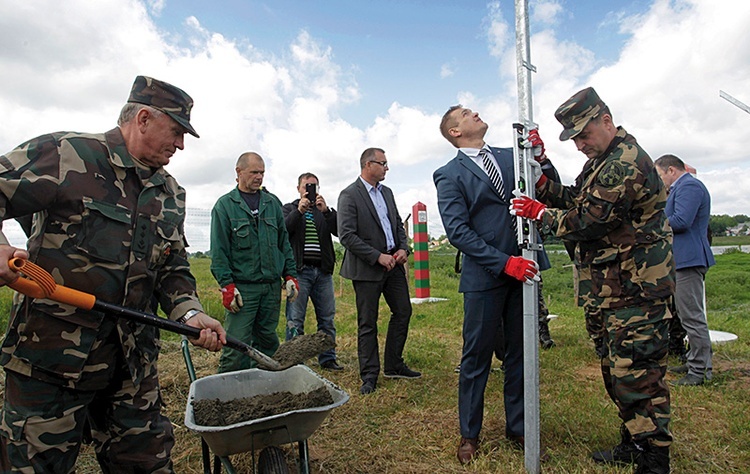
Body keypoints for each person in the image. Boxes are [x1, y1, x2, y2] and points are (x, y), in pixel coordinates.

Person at [0, 75, 227, 473]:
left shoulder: (170, 193)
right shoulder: (66, 154)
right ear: (143, 119)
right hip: (51, 362)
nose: (181, 144)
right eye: (176, 131)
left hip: (130, 366)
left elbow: (172, 268)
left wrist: (190, 313)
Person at [510, 87, 675, 474]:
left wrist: (540, 214)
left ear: (606, 120)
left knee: (638, 375)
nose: (581, 144)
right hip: (613, 291)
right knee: (617, 372)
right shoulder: (603, 160)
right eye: (575, 138)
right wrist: (542, 176)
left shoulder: (624, 161)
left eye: (584, 134)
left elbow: (589, 219)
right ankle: (635, 440)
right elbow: (576, 199)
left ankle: (654, 457)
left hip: (635, 291)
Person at [434, 105, 547, 465]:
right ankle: (470, 433)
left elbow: (546, 185)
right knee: (477, 356)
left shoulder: (512, 155)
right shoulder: (449, 174)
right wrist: (503, 263)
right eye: (467, 113)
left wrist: (539, 156)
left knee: (520, 353)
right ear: (455, 132)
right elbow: (458, 232)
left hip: (524, 267)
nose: (476, 113)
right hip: (486, 276)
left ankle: (518, 427)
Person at [338, 147, 421, 395]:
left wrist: (403, 249)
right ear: (367, 165)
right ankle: (369, 376)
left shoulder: (387, 193)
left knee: (403, 311)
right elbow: (347, 236)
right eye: (383, 163)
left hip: (393, 265)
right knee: (368, 323)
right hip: (367, 269)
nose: (387, 168)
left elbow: (396, 223)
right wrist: (377, 256)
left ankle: (394, 365)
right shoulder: (349, 195)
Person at [210, 152, 299, 373]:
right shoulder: (225, 206)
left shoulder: (272, 203)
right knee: (236, 345)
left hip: (269, 289)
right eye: (254, 172)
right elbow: (219, 251)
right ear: (239, 172)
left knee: (267, 343)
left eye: (262, 172)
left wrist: (290, 275)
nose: (259, 177)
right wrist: (227, 286)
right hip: (243, 289)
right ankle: (226, 396)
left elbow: (283, 243)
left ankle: (264, 392)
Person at [654, 154, 715, 386]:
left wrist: (653, 220)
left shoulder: (689, 186)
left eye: (661, 175)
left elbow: (680, 221)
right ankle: (694, 362)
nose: (661, 182)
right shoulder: (683, 188)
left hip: (689, 259)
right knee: (686, 315)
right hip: (683, 259)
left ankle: (700, 371)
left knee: (692, 317)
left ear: (671, 170)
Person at [282, 173, 342, 371]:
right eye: (306, 186)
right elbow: (283, 230)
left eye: (314, 186)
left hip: (323, 272)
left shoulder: (321, 210)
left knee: (326, 318)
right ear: (298, 188)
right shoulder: (289, 208)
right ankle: (293, 361)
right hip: (300, 272)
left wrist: (327, 212)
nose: (310, 189)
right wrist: (298, 211)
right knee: (295, 319)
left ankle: (328, 359)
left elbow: (340, 231)